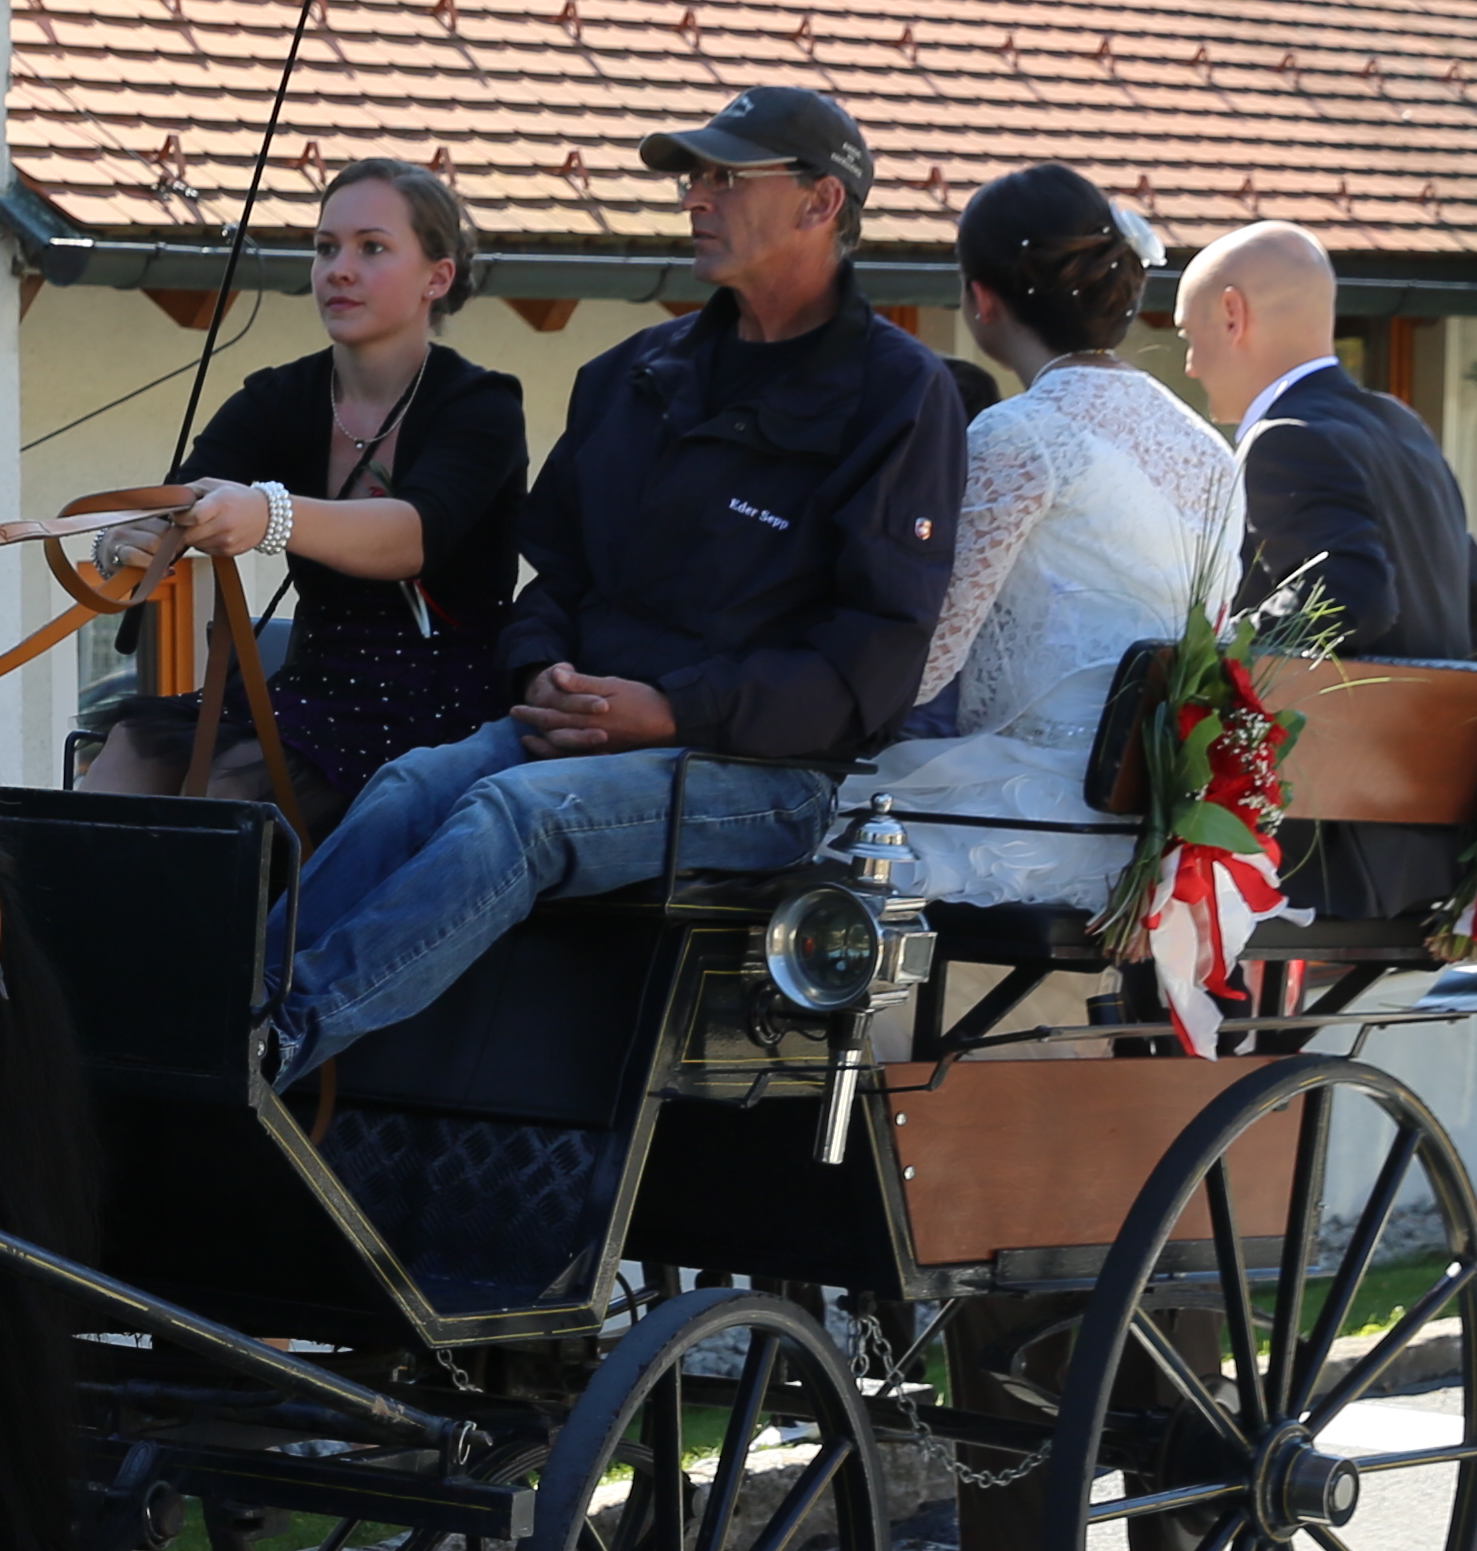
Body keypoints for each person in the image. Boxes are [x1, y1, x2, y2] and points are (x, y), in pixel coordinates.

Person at [261, 89, 965, 1083]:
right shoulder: (633, 374)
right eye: (695, 178)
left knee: (516, 817)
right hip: (579, 727)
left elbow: (875, 660)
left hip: (763, 776)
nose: (696, 199)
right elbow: (555, 577)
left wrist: (672, 711)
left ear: (822, 203)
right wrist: (541, 668)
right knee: (409, 786)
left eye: (728, 179)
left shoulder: (899, 393)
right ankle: (226, 1010)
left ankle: (277, 1043)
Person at [79, 160, 538, 811]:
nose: (338, 270)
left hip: (444, 698)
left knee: (233, 784)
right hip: (311, 683)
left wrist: (269, 514)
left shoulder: (481, 405)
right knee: (131, 746)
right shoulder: (278, 396)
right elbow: (182, 498)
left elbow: (414, 536)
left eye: (371, 248)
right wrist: (127, 541)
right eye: (326, 249)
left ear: (437, 278)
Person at [842, 168, 1237, 910]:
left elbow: (923, 663)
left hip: (1042, 814)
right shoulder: (1208, 446)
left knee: (795, 829)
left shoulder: (1020, 435)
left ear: (981, 299)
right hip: (1165, 818)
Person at [1178, 220, 1477, 920]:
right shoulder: (1402, 426)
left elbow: (1350, 596)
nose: (1191, 366)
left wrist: (1217, 652)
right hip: (1429, 855)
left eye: (1189, 335)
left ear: (1232, 314)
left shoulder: (1284, 437)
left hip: (1324, 862)